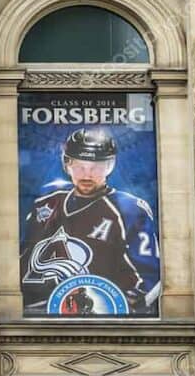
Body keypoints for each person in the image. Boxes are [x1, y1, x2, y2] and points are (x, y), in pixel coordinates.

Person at [20, 128, 161, 316]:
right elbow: (21, 262)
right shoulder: (46, 203)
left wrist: (121, 310)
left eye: (97, 167)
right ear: (67, 165)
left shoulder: (129, 210)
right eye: (79, 166)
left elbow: (151, 278)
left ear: (110, 166)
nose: (87, 175)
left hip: (102, 319)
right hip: (41, 316)